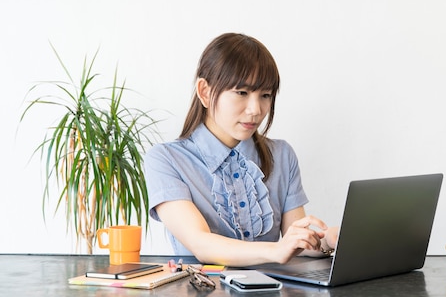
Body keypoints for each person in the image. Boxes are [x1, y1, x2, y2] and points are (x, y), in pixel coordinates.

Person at [144, 33, 338, 267]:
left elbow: (294, 243)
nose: (256, 109)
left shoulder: (282, 155)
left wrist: (327, 239)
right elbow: (200, 244)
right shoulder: (167, 159)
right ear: (205, 92)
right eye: (242, 93)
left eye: (265, 95)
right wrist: (276, 250)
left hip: (270, 296)